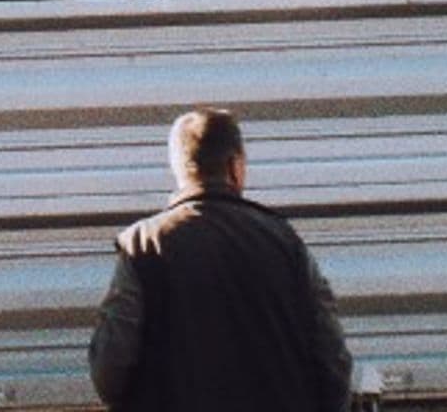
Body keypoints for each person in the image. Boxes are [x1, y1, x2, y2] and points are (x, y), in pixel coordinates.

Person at [88, 106, 352, 412]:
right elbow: (332, 361)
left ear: (180, 170)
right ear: (235, 167)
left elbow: (109, 372)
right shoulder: (285, 243)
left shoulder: (143, 246)